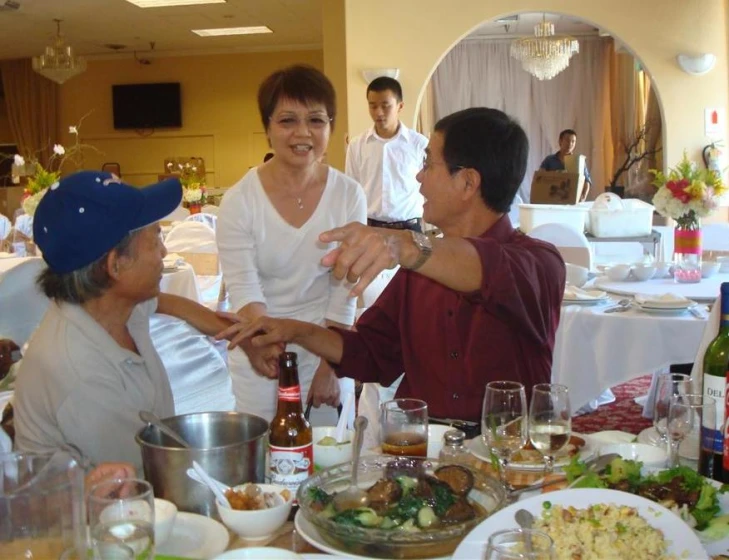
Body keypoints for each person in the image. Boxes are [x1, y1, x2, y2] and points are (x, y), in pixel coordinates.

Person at [218, 107, 566, 425]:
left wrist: (404, 244)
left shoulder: (539, 264)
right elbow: (370, 353)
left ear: (468, 182)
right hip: (423, 455)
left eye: (428, 164)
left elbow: (487, 271)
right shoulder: (418, 272)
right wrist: (296, 331)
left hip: (512, 457)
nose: (418, 177)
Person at [13, 171, 235, 470]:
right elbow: (140, 481)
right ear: (115, 264)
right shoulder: (83, 374)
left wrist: (235, 333)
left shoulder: (108, 304)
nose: (164, 251)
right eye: (155, 237)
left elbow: (167, 303)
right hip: (107, 508)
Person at [216, 65, 367, 424]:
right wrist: (266, 345)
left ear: (331, 126)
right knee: (267, 463)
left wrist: (330, 365)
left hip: (326, 344)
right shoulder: (240, 201)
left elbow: (345, 288)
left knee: (331, 464)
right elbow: (245, 290)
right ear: (267, 128)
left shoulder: (348, 194)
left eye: (316, 120)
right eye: (287, 121)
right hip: (261, 350)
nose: (303, 133)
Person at [345, 77, 428, 232]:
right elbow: (352, 190)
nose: (379, 112)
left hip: (409, 229)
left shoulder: (419, 144)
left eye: (385, 106)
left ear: (400, 106)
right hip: (369, 228)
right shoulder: (357, 145)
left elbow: (430, 187)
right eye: (373, 106)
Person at [539, 128, 592, 201]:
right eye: (567, 140)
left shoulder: (579, 161)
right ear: (560, 141)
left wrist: (583, 196)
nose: (570, 144)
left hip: (572, 201)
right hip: (552, 199)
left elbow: (587, 180)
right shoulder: (549, 160)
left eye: (573, 141)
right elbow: (540, 176)